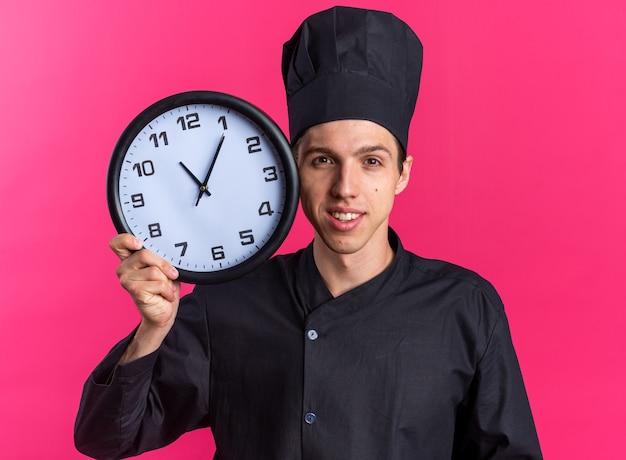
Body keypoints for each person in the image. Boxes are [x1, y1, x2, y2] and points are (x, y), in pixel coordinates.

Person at [75, 6, 542, 459]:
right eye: (323, 160)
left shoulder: (465, 306)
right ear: (293, 171)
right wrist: (152, 330)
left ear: (402, 174)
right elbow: (104, 439)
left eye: (371, 161)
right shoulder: (228, 302)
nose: (345, 189)